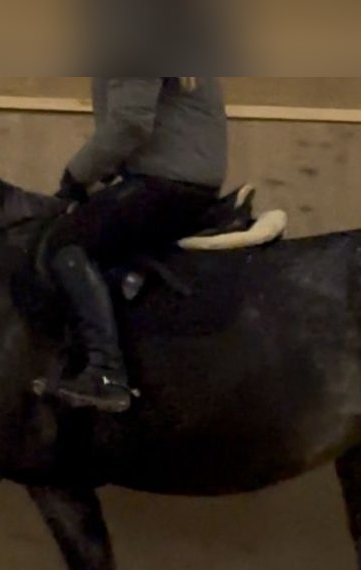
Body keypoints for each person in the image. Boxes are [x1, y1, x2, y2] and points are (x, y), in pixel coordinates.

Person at [45, 76, 229, 413]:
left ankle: (106, 374)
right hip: (184, 176)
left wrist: (74, 179)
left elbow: (129, 124)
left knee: (64, 244)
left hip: (165, 180)